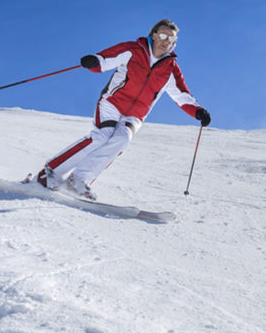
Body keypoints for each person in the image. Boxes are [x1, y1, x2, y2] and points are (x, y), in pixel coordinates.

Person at [35, 18, 211, 200]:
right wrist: (94, 61)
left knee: (121, 140)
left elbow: (182, 95)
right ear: (153, 35)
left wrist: (198, 111)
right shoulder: (133, 50)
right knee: (102, 135)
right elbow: (104, 59)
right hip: (113, 103)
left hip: (135, 115)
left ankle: (78, 179)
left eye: (172, 39)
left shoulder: (170, 68)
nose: (167, 41)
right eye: (164, 35)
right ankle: (50, 172)